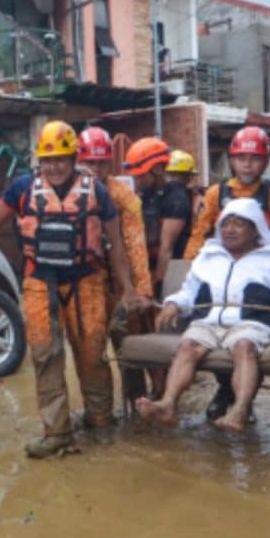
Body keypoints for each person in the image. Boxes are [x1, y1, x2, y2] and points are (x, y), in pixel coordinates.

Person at [0, 121, 147, 458]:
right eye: (49, 160)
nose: (55, 166)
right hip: (38, 282)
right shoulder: (21, 189)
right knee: (46, 356)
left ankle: (100, 420)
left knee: (92, 353)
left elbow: (117, 246)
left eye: (62, 159)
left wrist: (128, 289)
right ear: (40, 162)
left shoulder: (98, 192)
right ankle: (57, 432)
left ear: (74, 158)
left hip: (87, 281)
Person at [136, 198, 270, 434]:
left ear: (256, 229)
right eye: (225, 224)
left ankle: (239, 410)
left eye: (239, 224)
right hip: (209, 321)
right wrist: (173, 304)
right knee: (188, 346)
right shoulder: (207, 257)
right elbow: (189, 292)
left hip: (251, 323)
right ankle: (168, 404)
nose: (230, 230)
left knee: (244, 347)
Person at [184, 126, 270, 421]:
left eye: (255, 158)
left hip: (262, 275)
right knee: (213, 326)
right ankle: (226, 391)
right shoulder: (215, 194)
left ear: (266, 161)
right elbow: (199, 233)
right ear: (231, 160)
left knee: (247, 336)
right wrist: (189, 266)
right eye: (241, 158)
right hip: (224, 270)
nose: (247, 164)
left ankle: (240, 402)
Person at [77, 127, 156, 407]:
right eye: (90, 162)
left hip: (120, 288)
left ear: (110, 162)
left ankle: (138, 411)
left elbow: (136, 246)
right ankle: (99, 416)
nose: (96, 169)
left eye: (102, 162)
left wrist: (140, 291)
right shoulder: (67, 192)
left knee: (130, 353)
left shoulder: (124, 197)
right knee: (91, 354)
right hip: (85, 287)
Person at [125, 138, 192, 289]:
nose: (137, 181)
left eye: (141, 176)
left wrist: (156, 284)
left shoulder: (176, 198)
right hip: (148, 268)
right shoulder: (146, 194)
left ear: (158, 170)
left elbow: (166, 249)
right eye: (135, 177)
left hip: (174, 271)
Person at [165, 149, 204, 219]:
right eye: (169, 175)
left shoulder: (197, 199)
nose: (189, 180)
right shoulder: (160, 196)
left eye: (191, 175)